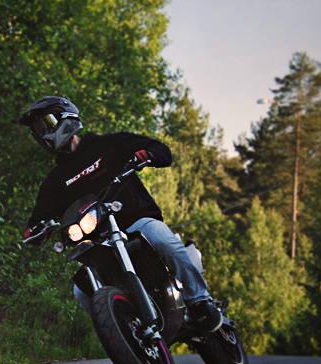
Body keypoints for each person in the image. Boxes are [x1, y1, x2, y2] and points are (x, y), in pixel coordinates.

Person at [18, 96, 223, 333]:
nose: (42, 134)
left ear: (67, 118)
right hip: (99, 243)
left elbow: (162, 151)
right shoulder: (55, 181)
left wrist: (148, 155)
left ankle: (200, 300)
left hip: (137, 222)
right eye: (37, 130)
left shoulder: (108, 145)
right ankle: (128, 335)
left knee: (162, 239)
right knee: (81, 292)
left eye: (47, 124)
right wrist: (35, 230)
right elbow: (39, 217)